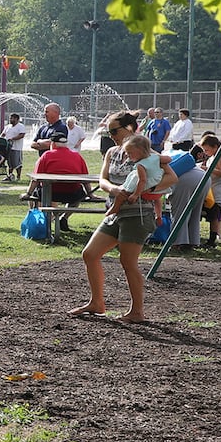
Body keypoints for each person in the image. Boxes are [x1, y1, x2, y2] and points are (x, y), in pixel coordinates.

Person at [70, 111, 176, 323]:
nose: (112, 136)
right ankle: (97, 302)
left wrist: (146, 189)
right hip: (116, 212)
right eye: (109, 132)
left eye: (114, 131)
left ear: (130, 128)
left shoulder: (149, 154)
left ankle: (137, 311)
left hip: (137, 214)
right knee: (90, 254)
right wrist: (115, 190)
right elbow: (103, 180)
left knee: (128, 261)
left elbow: (172, 178)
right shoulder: (112, 152)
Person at [34, 132, 92, 233]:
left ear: (53, 144)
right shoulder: (77, 156)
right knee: (80, 195)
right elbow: (85, 180)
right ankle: (64, 217)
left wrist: (28, 193)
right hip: (72, 194)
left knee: (35, 194)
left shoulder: (46, 155)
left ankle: (42, 222)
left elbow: (36, 178)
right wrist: (91, 194)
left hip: (50, 194)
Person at [103, 133, 161, 220]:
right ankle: (159, 215)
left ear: (140, 151)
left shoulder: (140, 165)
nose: (127, 155)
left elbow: (142, 180)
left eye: (130, 153)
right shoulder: (154, 158)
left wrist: (136, 194)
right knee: (157, 200)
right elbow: (167, 159)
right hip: (145, 185)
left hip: (137, 209)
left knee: (121, 194)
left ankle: (115, 207)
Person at [198, 133, 221, 247]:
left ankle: (212, 240)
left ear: (215, 147)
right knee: (208, 213)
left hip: (217, 189)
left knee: (214, 214)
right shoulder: (211, 157)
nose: (205, 152)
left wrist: (208, 169)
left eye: (207, 150)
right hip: (210, 188)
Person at [0, 113, 27, 179]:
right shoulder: (8, 126)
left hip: (16, 148)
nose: (10, 119)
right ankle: (10, 176)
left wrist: (13, 138)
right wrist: (1, 138)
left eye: (12, 118)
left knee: (17, 163)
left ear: (16, 119)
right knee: (10, 163)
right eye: (10, 118)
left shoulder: (20, 126)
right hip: (8, 148)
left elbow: (22, 135)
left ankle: (18, 176)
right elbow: (3, 134)